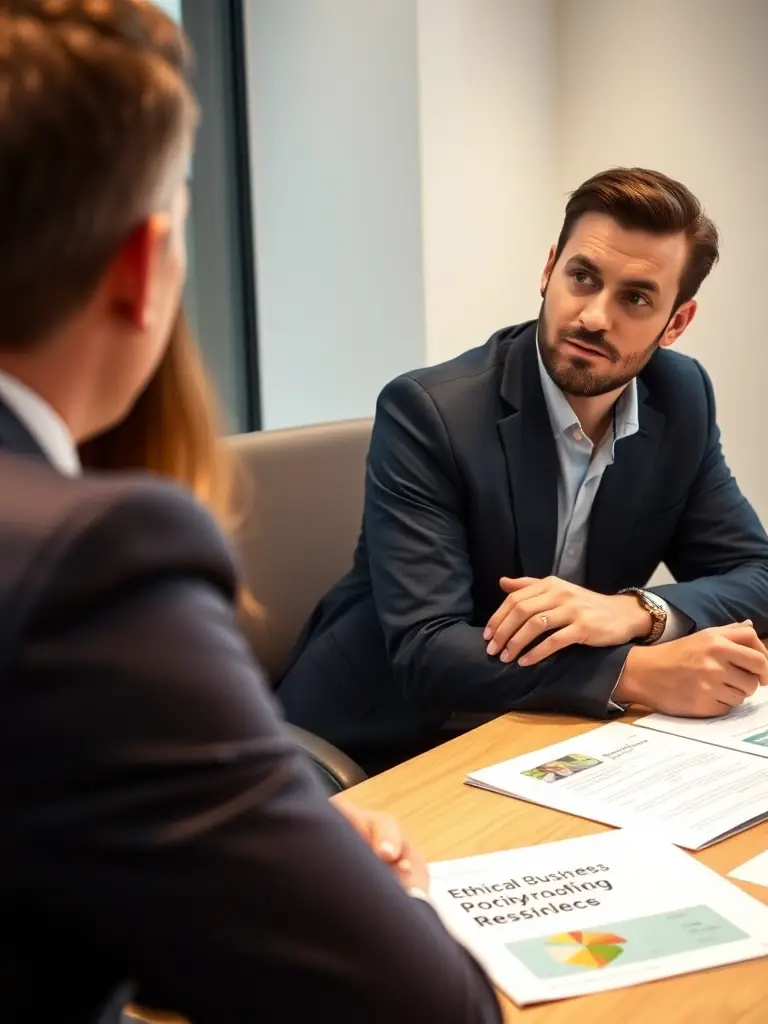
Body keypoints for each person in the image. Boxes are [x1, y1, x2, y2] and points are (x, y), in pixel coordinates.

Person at [0, 3, 503, 1022]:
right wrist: (348, 897)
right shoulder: (93, 562)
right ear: (145, 268)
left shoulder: (676, 401)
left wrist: (249, 867)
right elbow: (428, 1007)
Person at [278, 166, 768, 775]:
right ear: (548, 270)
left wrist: (637, 611)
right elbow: (429, 648)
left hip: (541, 731)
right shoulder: (429, 412)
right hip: (385, 740)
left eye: (635, 297)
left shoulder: (681, 396)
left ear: (676, 323)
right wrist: (635, 672)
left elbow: (758, 573)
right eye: (582, 277)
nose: (593, 316)